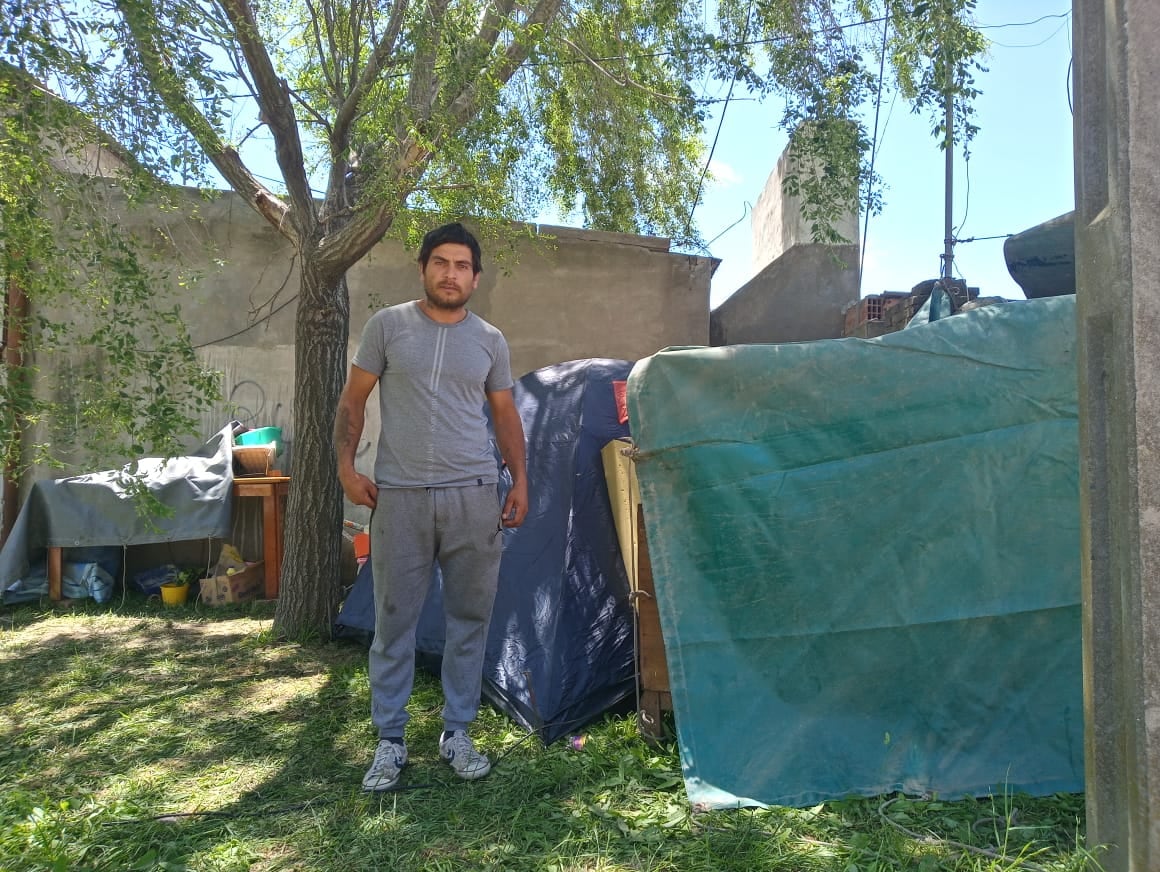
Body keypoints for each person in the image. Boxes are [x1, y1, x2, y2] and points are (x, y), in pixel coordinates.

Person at [334, 222, 528, 791]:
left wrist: (520, 481)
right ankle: (389, 741)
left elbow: (506, 416)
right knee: (393, 622)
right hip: (401, 499)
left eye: (462, 265)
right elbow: (354, 400)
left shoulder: (490, 340)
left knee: (470, 619)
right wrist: (347, 469)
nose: (451, 273)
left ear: (475, 276)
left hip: (474, 496)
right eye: (440, 262)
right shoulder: (388, 327)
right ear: (423, 268)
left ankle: (457, 732)